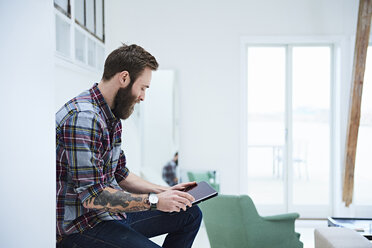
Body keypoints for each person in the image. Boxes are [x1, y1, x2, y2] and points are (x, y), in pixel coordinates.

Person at [56, 44, 202, 248]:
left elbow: (120, 173)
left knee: (190, 214)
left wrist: (164, 191)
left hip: (107, 215)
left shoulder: (110, 115)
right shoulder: (84, 118)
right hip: (81, 227)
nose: (143, 96)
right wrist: (154, 201)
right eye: (143, 88)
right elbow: (92, 196)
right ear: (124, 78)